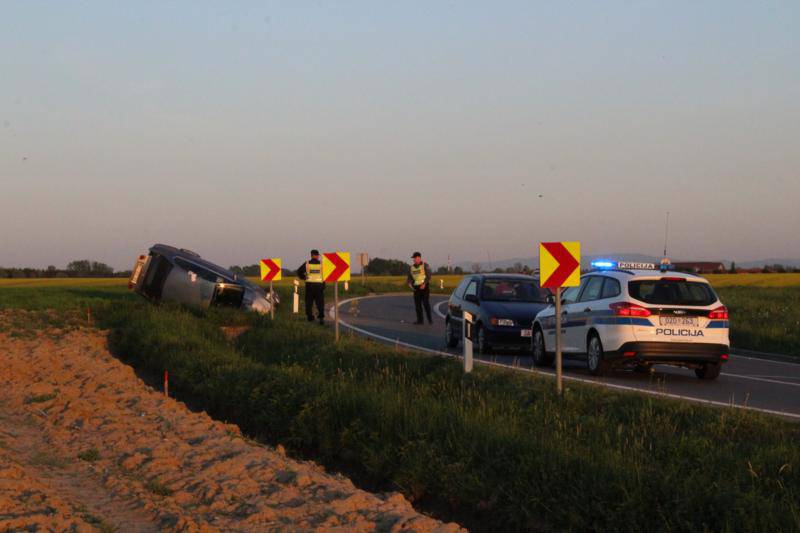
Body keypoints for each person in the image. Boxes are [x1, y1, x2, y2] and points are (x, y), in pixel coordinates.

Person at [296, 249, 325, 324]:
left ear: (311, 255)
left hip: (309, 286)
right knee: (320, 303)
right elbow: (325, 275)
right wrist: (323, 284)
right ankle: (321, 318)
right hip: (319, 286)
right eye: (318, 255)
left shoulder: (307, 264)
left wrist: (304, 278)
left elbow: (299, 272)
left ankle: (310, 317)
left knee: (309, 302)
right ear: (317, 256)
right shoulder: (321, 264)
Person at [407, 251, 432, 325]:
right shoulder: (411, 267)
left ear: (419, 258)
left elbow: (429, 276)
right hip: (416, 288)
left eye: (414, 258)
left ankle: (430, 319)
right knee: (417, 305)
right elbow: (409, 277)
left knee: (425, 303)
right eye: (413, 258)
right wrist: (409, 283)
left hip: (424, 287)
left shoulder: (425, 265)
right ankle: (420, 320)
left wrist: (424, 283)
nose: (413, 260)